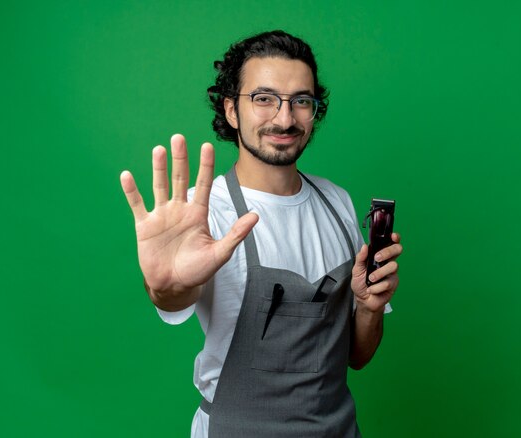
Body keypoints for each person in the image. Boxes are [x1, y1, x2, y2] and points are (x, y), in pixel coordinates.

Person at [120, 30, 402, 438]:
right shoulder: (202, 212)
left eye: (301, 101)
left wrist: (370, 306)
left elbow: (357, 356)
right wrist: (165, 286)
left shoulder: (338, 204)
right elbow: (172, 292)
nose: (284, 119)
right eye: (264, 99)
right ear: (232, 110)